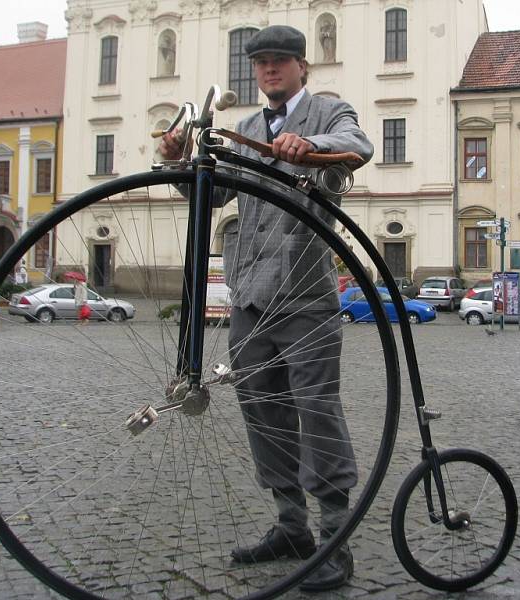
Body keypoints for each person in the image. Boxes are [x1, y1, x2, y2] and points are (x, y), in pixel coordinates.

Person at [159, 25, 373, 592]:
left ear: (302, 66)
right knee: (262, 409)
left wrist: (314, 147)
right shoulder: (249, 128)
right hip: (250, 297)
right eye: (259, 63)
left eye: (279, 61)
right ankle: (291, 526)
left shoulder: (329, 110)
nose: (268, 70)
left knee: (316, 408)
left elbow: (358, 148)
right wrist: (183, 162)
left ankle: (333, 540)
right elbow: (215, 192)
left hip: (305, 296)